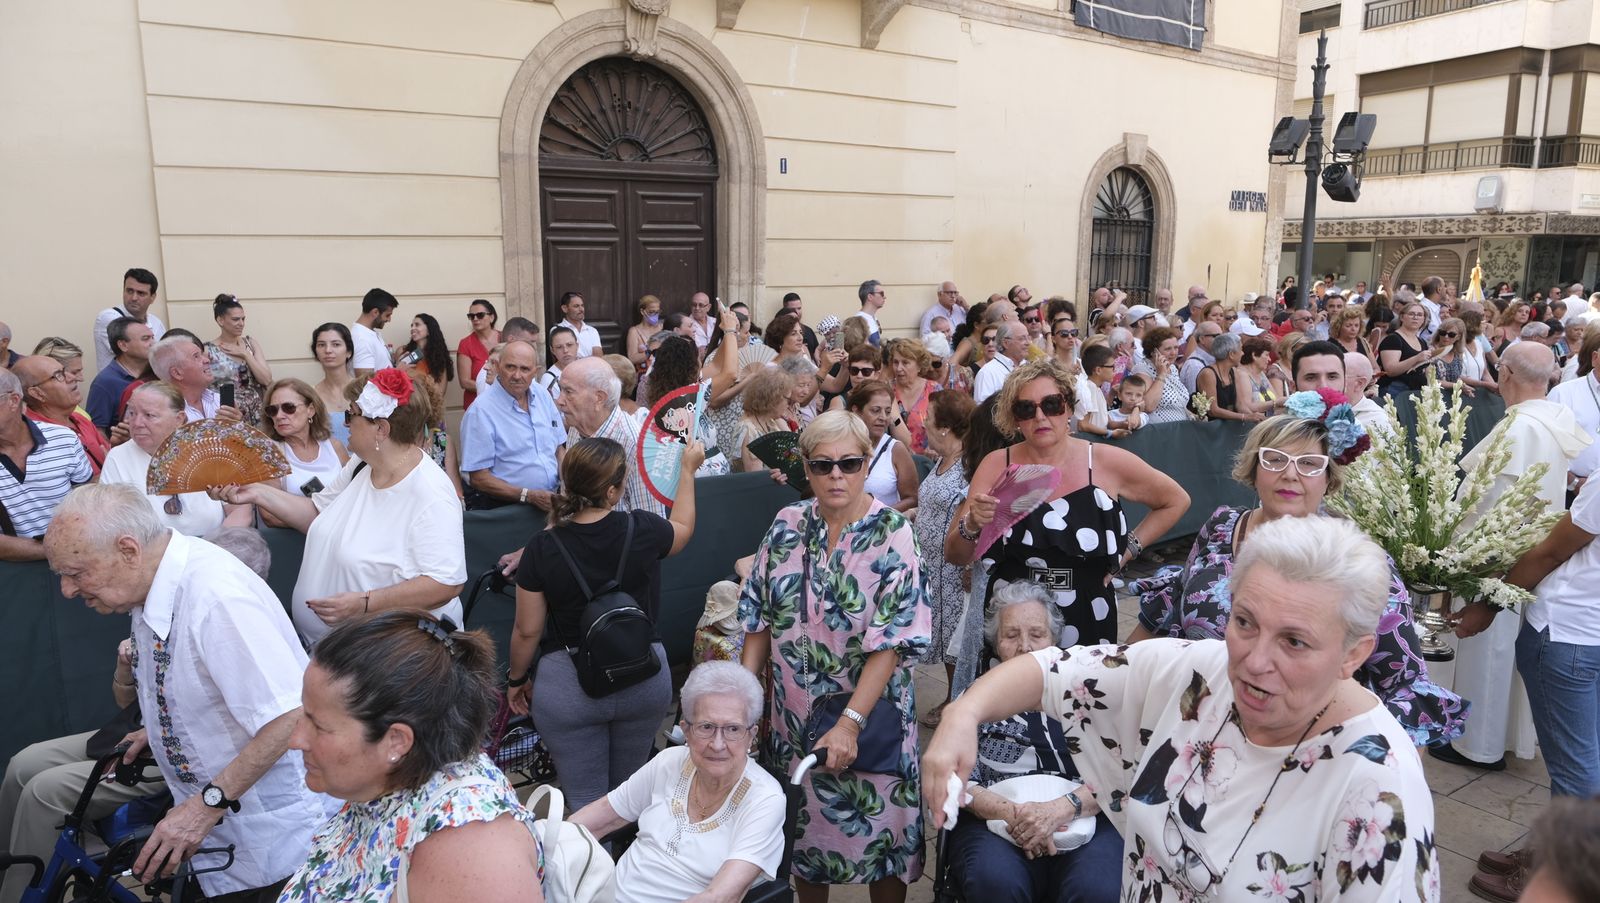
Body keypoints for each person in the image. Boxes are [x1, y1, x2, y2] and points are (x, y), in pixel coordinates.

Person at [925, 515, 1441, 902]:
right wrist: (961, 716)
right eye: (1244, 621)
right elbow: (1053, 670)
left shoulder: (1380, 792)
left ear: (1355, 653)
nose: (1254, 661)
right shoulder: (1200, 671)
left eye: (1295, 642)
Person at [43, 484, 327, 900]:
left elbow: (289, 716)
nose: (67, 590)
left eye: (76, 572)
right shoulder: (156, 580)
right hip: (231, 842)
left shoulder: (216, 597)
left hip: (272, 847)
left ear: (128, 550)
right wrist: (160, 730)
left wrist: (205, 805)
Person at [1132, 404, 1466, 746]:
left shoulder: (1357, 561)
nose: (1290, 474)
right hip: (1190, 727)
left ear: (1328, 478)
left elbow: (1403, 682)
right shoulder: (1222, 527)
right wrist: (1117, 672)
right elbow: (1170, 608)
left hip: (1296, 746)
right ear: (1254, 469)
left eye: (1308, 464)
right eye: (1275, 459)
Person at [739, 410, 930, 901]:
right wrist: (740, 708)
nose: (836, 475)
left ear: (868, 464)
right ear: (806, 468)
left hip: (871, 718)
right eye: (822, 465)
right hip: (793, 721)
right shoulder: (785, 525)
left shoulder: (893, 533)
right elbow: (758, 619)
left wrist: (849, 722)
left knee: (883, 842)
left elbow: (892, 639)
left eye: (849, 462)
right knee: (805, 843)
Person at [279, 611, 545, 903]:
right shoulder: (392, 784)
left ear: (396, 741)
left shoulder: (473, 849)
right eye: (304, 713)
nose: (295, 739)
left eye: (318, 725)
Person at [506, 437, 701, 811]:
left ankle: (593, 867)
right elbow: (683, 528)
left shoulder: (542, 547)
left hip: (570, 686)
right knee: (629, 797)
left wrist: (516, 680)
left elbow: (527, 630)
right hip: (642, 677)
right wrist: (687, 472)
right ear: (613, 491)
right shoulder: (642, 528)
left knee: (585, 802)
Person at [212, 370, 467, 646]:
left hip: (390, 653)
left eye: (351, 415)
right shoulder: (361, 465)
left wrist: (365, 604)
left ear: (381, 429)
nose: (344, 424)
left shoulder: (431, 493)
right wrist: (255, 492)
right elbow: (317, 513)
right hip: (340, 649)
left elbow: (446, 583)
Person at [949, 360, 1188, 648]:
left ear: (1069, 408)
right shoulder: (997, 465)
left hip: (1087, 610)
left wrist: (1127, 552)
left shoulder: (1103, 461)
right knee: (1017, 693)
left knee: (1080, 691)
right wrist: (972, 525)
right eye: (1026, 408)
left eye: (1051, 404)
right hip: (1014, 616)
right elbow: (956, 555)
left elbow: (1175, 501)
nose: (1040, 416)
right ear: (1014, 419)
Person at [1443, 343, 1587, 781]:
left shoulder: (1518, 429)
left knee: (1489, 649)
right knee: (1504, 649)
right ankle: (1500, 737)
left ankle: (1479, 747)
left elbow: (1486, 501)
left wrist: (1453, 548)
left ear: (1504, 373)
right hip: (1534, 550)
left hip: (1498, 554)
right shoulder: (1556, 416)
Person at [942, 582, 1122, 903]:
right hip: (998, 820)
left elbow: (1120, 772)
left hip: (1085, 812)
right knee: (995, 883)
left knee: (1097, 889)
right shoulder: (976, 699)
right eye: (1011, 635)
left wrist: (1063, 809)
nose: (1024, 646)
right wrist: (1015, 815)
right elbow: (956, 781)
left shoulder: (1090, 695)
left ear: (1054, 638)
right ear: (996, 643)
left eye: (1036, 634)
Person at [568, 661, 783, 903]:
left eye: (733, 729)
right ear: (686, 731)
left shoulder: (765, 800)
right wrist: (539, 844)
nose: (718, 744)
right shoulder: (669, 762)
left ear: (751, 736)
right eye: (706, 727)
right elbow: (602, 816)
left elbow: (723, 896)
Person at [101, 383, 253, 535]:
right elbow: (113, 523)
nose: (137, 423)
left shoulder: (209, 449)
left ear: (179, 419)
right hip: (150, 553)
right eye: (132, 413)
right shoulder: (118, 458)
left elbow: (240, 509)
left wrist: (215, 547)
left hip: (215, 546)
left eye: (149, 415)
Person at [915, 390, 977, 726]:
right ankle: (954, 697)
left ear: (944, 427)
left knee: (955, 637)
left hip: (953, 567)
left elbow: (974, 516)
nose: (923, 422)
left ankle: (957, 702)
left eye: (929, 416)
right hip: (931, 566)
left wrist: (969, 563)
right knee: (943, 633)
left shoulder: (969, 466)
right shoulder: (943, 460)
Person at [0, 368, 93, 562]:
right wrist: (58, 550)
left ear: (14, 400)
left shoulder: (63, 438)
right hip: (16, 572)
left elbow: (87, 499)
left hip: (77, 560)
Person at [560, 356, 667, 516]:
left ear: (599, 398)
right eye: (561, 390)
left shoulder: (636, 445)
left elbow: (651, 526)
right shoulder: (579, 425)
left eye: (568, 392)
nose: (559, 400)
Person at [651, 316, 737, 477]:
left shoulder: (676, 391)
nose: (701, 361)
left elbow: (717, 365)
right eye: (697, 357)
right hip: (703, 479)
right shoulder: (690, 396)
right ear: (690, 364)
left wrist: (725, 332)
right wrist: (731, 331)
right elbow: (730, 374)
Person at [16, 352, 110, 475]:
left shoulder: (79, 419)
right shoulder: (34, 437)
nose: (72, 377)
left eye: (64, 371)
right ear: (37, 393)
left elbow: (109, 460)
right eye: (58, 375)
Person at [260, 378, 349, 499]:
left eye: (289, 407)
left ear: (310, 410)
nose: (279, 416)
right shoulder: (269, 454)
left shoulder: (334, 447)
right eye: (273, 410)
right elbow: (269, 514)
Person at [847, 380, 918, 513]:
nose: (883, 417)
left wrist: (880, 514)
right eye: (876, 411)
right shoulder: (839, 445)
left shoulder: (896, 449)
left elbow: (912, 499)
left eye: (887, 411)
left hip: (882, 527)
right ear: (857, 411)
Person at [205, 295, 273, 424]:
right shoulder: (208, 350)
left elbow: (266, 379)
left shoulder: (250, 344)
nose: (241, 323)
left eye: (243, 319)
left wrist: (245, 354)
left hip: (257, 411)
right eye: (236, 319)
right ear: (220, 320)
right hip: (229, 414)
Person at [150, 335, 242, 423]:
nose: (207, 360)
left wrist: (239, 427)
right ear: (177, 373)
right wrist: (217, 427)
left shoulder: (218, 400)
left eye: (202, 354)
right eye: (196, 356)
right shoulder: (164, 414)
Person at [87, 317, 155, 435]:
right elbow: (97, 432)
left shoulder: (157, 372)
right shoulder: (104, 383)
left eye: (153, 337)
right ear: (123, 345)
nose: (153, 343)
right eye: (145, 339)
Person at [92, 268, 166, 371]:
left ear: (152, 297)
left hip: (146, 385)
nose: (134, 298)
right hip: (118, 384)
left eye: (141, 293)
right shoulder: (109, 317)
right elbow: (137, 354)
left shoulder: (156, 322)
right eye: (129, 291)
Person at [733, 366, 795, 472]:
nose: (788, 406)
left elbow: (792, 452)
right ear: (774, 398)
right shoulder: (749, 430)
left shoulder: (770, 422)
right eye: (788, 400)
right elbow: (756, 479)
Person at [885, 338, 935, 454]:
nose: (899, 368)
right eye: (896, 362)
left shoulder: (934, 391)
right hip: (894, 460)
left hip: (928, 462)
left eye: (905, 363)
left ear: (919, 366)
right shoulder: (885, 390)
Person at [1193, 332, 1259, 422]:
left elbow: (1240, 405)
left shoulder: (1234, 372)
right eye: (1241, 349)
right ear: (1231, 354)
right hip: (1213, 429)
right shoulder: (1208, 374)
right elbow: (1213, 410)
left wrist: (1254, 417)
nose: (1243, 353)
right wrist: (1244, 417)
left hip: (1230, 426)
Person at [309, 322, 354, 446]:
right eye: (321, 345)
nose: (328, 350)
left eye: (336, 344)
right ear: (316, 353)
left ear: (348, 351)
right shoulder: (310, 394)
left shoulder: (364, 389)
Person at [1377, 300, 1434, 398]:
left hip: (1417, 392)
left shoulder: (1422, 342)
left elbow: (1427, 370)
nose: (1415, 317)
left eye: (1420, 315)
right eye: (1411, 314)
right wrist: (1416, 358)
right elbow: (1390, 370)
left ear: (1424, 319)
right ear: (1402, 317)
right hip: (1395, 391)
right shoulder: (1393, 339)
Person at [1132, 326, 1187, 424]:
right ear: (1154, 352)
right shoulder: (1142, 369)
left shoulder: (1173, 368)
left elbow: (1179, 402)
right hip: (1159, 431)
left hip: (1179, 428)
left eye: (1176, 347)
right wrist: (1161, 375)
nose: (1173, 353)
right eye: (1168, 349)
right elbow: (1148, 406)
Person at [455, 299, 500, 409]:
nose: (475, 319)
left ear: (492, 317)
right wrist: (495, 388)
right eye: (471, 316)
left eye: (480, 315)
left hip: (502, 403)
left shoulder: (504, 339)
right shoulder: (466, 344)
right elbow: (464, 382)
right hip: (476, 405)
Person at [350, 287, 399, 378]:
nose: (389, 320)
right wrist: (398, 372)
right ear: (375, 312)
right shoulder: (361, 339)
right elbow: (364, 383)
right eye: (387, 315)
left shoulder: (368, 333)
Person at [975, 320, 1028, 404]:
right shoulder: (987, 373)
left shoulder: (1029, 367)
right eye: (1022, 339)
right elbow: (984, 414)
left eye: (1028, 338)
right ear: (1006, 343)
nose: (1028, 343)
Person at [1073, 344, 1115, 437]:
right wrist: (1109, 433)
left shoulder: (1095, 388)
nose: (1114, 370)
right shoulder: (1089, 388)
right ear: (1098, 370)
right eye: (1112, 367)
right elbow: (1083, 425)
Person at [1428, 316, 1473, 397]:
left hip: (1451, 398)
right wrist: (1458, 385)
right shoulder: (1430, 351)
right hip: (1433, 398)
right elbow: (1431, 380)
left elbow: (1456, 377)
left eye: (1451, 334)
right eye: (1442, 333)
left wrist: (1464, 386)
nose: (1446, 337)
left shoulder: (1457, 354)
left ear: (1459, 337)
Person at [555, 291, 604, 358]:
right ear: (565, 308)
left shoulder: (592, 331)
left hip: (593, 368)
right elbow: (562, 359)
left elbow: (598, 357)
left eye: (582, 305)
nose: (581, 309)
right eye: (576, 306)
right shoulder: (557, 330)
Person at [1179, 321, 1221, 393]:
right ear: (1202, 339)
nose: (1221, 340)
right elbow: (1195, 398)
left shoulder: (1213, 359)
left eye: (1222, 336)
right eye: (1216, 336)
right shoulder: (1195, 365)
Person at [539, 325, 579, 399]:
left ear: (577, 345)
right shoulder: (549, 379)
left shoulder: (587, 370)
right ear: (552, 350)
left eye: (569, 345)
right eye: (559, 347)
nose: (565, 350)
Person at [626, 294, 662, 371]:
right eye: (652, 312)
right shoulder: (634, 331)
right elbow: (632, 358)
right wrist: (650, 350)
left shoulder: (662, 328)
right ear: (642, 311)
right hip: (644, 375)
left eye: (657, 312)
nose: (655, 315)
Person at [853, 279, 887, 347]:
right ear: (870, 297)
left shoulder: (872, 318)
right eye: (881, 294)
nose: (884, 297)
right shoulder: (859, 321)